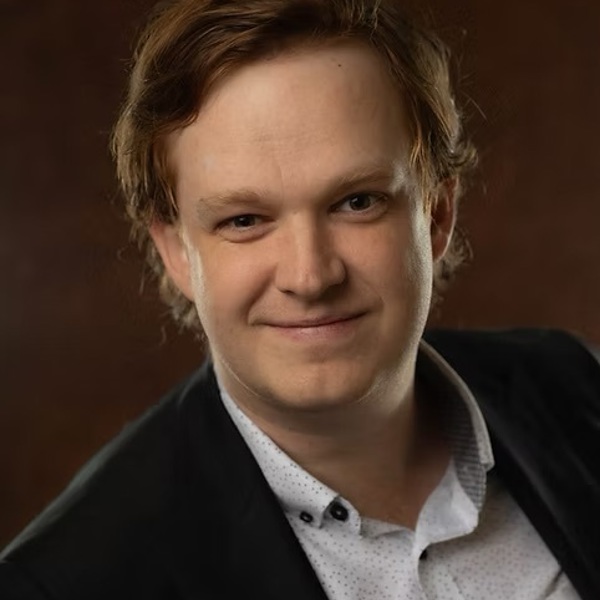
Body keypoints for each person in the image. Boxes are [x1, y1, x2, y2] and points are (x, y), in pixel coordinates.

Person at [1, 0, 598, 598]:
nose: (310, 277)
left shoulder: (578, 388)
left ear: (437, 213)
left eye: (357, 202)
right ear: (177, 253)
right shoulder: (65, 583)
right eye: (244, 220)